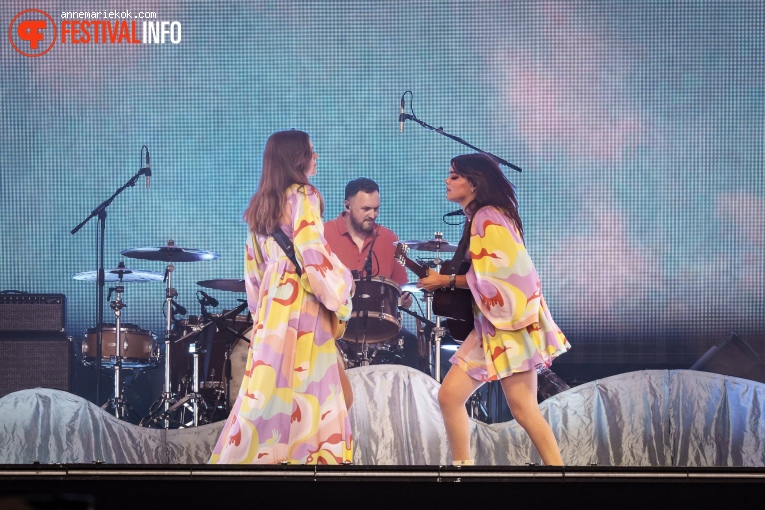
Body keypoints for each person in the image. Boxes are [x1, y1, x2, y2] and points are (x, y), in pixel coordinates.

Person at [209, 129, 355, 465]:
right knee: (315, 390)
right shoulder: (304, 195)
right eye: (312, 151)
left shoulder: (260, 205)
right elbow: (313, 256)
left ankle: (256, 462)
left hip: (273, 309)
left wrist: (263, 315)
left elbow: (253, 271)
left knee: (268, 392)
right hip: (304, 305)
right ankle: (315, 462)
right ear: (298, 158)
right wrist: (343, 292)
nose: (316, 157)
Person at [418, 153, 571, 466]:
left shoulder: (488, 217)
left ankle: (558, 476)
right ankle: (464, 472)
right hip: (495, 324)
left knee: (523, 406)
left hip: (508, 325)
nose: (447, 181)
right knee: (452, 397)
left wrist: (444, 279)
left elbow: (501, 276)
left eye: (454, 176)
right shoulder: (486, 215)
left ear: (474, 183)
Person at [323, 177, 422, 370]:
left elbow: (402, 288)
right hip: (334, 325)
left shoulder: (393, 239)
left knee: (411, 346)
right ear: (347, 205)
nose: (373, 215)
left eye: (376, 209)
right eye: (366, 209)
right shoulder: (323, 234)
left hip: (379, 329)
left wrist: (405, 297)